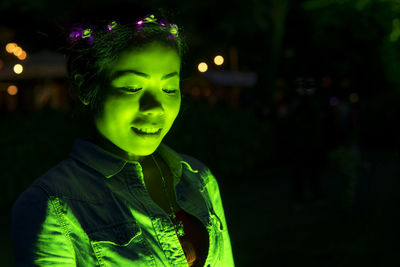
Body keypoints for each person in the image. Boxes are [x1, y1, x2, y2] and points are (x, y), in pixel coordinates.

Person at [11, 12, 234, 267]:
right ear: (85, 87)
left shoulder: (199, 179)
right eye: (132, 87)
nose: (155, 107)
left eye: (169, 89)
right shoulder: (52, 205)